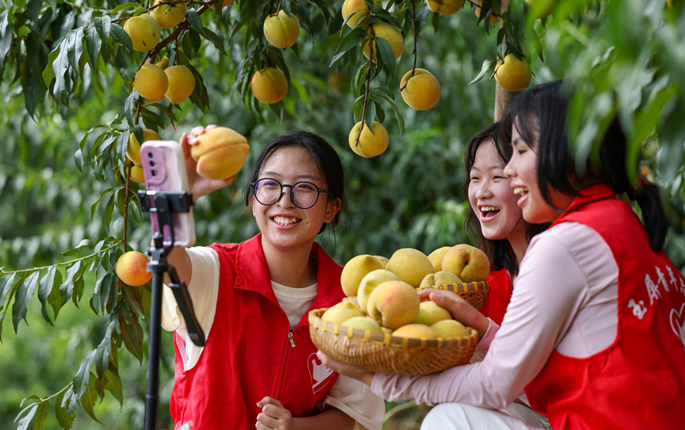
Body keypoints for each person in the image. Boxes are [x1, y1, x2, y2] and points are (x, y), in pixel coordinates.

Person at [319, 81, 685, 429]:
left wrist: (378, 379)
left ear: (569, 151)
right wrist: (486, 331)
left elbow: (496, 384)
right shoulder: (622, 223)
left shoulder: (565, 244)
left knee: (448, 421)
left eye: (521, 151)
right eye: (476, 177)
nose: (510, 171)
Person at [161, 127, 385, 430]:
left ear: (331, 208)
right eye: (270, 184)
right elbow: (168, 262)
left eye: (304, 187)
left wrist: (292, 427)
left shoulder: (349, 300)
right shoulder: (216, 272)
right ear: (253, 199)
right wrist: (179, 195)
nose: (284, 200)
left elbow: (348, 415)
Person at [465, 123, 548, 326]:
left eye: (497, 177)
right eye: (475, 178)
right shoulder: (481, 286)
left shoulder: (558, 263)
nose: (481, 193)